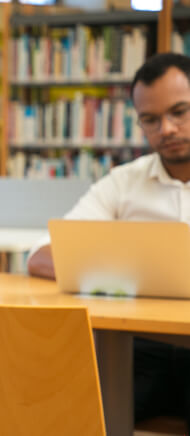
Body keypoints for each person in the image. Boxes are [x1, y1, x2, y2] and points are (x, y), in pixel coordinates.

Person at [26, 52, 190, 429]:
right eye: (150, 119)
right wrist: (130, 276)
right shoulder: (123, 183)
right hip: (138, 349)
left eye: (179, 112)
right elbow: (40, 254)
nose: (166, 128)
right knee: (75, 416)